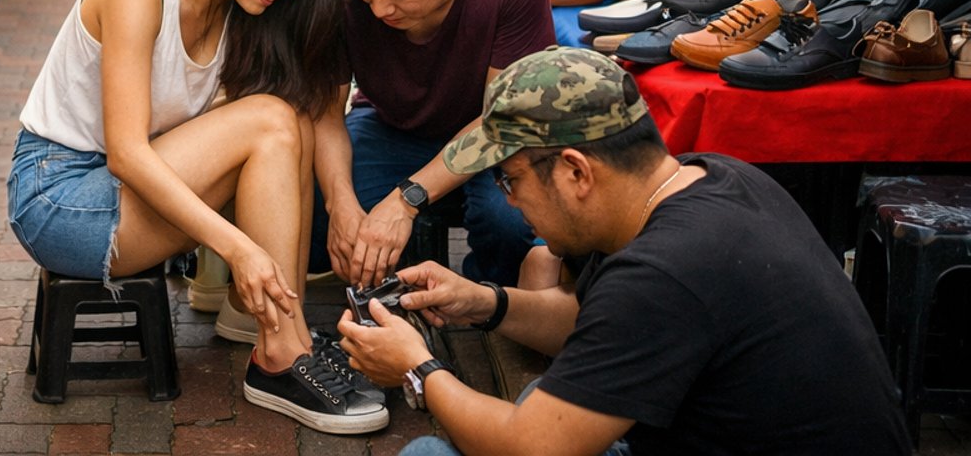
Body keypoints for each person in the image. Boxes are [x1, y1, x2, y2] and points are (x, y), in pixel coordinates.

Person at [338, 48, 908, 456]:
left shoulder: (664, 272)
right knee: (541, 398)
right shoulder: (707, 179)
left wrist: (417, 367)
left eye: (510, 181)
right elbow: (593, 324)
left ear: (575, 171)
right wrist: (481, 301)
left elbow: (532, 446)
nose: (509, 204)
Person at [9, 0, 387, 435]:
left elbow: (309, 114)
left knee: (290, 119)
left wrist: (341, 207)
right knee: (269, 119)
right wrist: (239, 249)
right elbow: (127, 154)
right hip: (59, 199)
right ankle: (281, 354)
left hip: (120, 193)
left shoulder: (242, 10)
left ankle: (280, 332)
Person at [313, 0, 553, 287]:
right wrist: (341, 205)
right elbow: (327, 112)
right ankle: (389, 303)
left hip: (493, 134)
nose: (380, 10)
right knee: (320, 199)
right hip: (389, 127)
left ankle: (488, 306)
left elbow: (503, 119)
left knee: (507, 220)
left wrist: (406, 198)